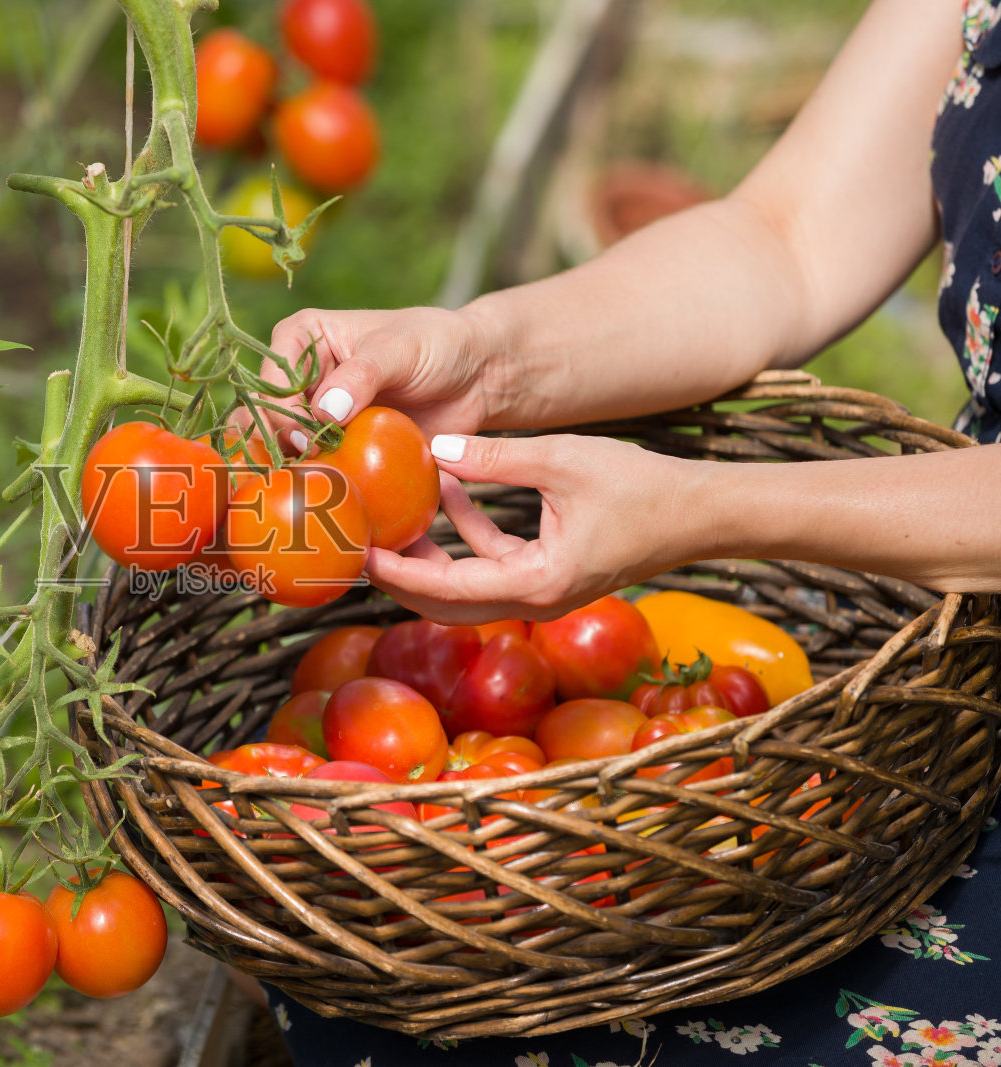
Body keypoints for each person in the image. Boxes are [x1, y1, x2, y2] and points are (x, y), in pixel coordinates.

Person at [250, 0, 1001, 1061]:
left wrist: (700, 507)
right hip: (957, 703)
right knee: (419, 968)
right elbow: (783, 241)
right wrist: (483, 353)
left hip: (953, 748)